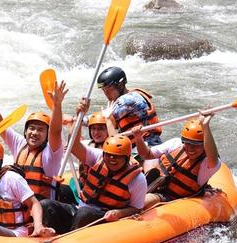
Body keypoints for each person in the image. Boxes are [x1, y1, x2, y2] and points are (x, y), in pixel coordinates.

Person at [41, 99, 147, 233]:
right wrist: (79, 116)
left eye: (117, 156)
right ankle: (48, 235)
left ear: (127, 158)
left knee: (84, 213)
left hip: (104, 216)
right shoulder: (98, 156)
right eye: (109, 155)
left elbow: (137, 208)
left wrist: (119, 213)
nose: (112, 159)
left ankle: (71, 239)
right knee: (46, 205)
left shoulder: (137, 179)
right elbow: (74, 146)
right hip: (81, 206)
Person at [0, 75, 67, 201]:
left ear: (46, 135)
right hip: (20, 207)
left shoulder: (52, 153)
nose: (34, 133)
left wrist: (57, 105)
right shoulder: (20, 144)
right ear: (25, 131)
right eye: (31, 128)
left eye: (40, 130)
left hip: (43, 209)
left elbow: (55, 131)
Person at [132, 110, 220, 210]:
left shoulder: (207, 163)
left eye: (196, 145)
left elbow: (213, 158)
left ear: (204, 145)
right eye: (187, 143)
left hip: (170, 197)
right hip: (155, 184)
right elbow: (146, 155)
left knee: (142, 201)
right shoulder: (175, 144)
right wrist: (138, 138)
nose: (191, 148)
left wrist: (205, 125)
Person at [98, 66, 162, 146]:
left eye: (109, 89)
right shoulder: (129, 95)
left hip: (147, 144)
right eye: (104, 90)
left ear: (120, 85)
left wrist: (81, 117)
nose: (106, 94)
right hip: (140, 144)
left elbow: (99, 120)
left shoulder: (127, 100)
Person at [78, 112, 109, 190]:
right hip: (83, 186)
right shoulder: (87, 143)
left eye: (100, 129)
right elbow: (76, 141)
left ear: (108, 130)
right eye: (93, 129)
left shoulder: (111, 148)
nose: (96, 132)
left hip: (99, 189)